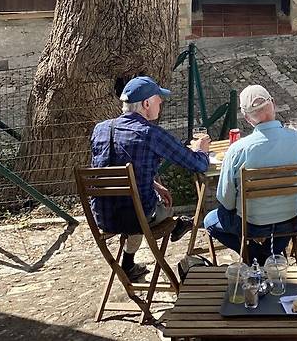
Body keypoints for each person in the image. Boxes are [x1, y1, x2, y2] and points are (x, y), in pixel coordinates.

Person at [90, 75, 211, 282]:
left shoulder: (101, 129)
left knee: (141, 196)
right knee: (157, 204)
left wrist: (153, 183)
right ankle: (176, 224)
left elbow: (111, 170)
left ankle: (127, 264)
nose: (161, 102)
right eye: (158, 99)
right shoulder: (150, 133)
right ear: (146, 104)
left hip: (103, 216)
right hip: (138, 217)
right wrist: (201, 150)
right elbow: (196, 164)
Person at [203, 85, 297, 263]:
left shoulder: (238, 149)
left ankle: (255, 256)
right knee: (283, 215)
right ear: (273, 104)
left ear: (247, 118)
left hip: (251, 225)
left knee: (211, 221)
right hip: (292, 220)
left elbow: (225, 199)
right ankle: (270, 257)